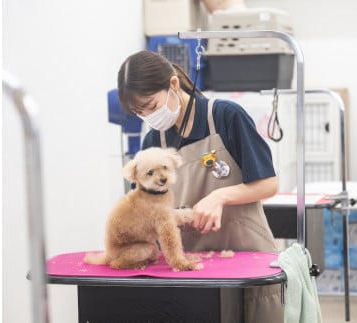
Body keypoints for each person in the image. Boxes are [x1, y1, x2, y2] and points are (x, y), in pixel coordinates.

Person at [117, 50, 284, 322]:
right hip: (190, 268)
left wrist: (220, 196)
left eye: (151, 105)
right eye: (139, 112)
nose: (148, 116)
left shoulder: (225, 117)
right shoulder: (153, 143)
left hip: (245, 264)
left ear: (173, 85)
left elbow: (268, 184)